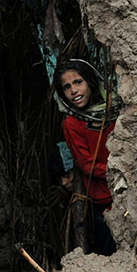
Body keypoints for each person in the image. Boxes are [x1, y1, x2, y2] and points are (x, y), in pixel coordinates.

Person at [54, 59, 117, 255]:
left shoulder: (114, 109)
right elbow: (87, 164)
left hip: (132, 193)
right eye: (66, 87)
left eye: (78, 82)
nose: (73, 90)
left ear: (90, 81)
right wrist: (120, 172)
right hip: (104, 200)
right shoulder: (72, 124)